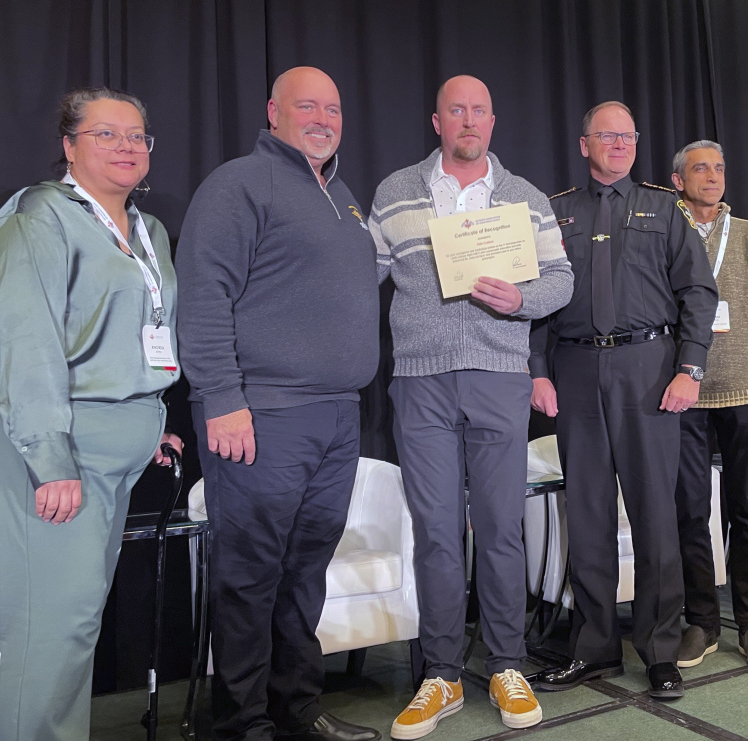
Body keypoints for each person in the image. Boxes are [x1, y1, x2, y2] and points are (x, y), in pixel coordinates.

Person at [175, 67, 381, 741]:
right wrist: (221, 398)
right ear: (273, 111)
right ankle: (242, 723)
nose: (323, 117)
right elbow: (203, 298)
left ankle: (296, 708)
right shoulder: (237, 185)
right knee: (251, 575)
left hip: (336, 416)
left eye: (333, 106)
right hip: (261, 415)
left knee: (304, 573)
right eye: (307, 105)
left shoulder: (344, 196)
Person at [369, 75, 573, 739]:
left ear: (492, 119)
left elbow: (561, 278)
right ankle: (442, 673)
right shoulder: (397, 191)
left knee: (500, 525)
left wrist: (525, 301)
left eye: (479, 110)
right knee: (435, 528)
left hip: (499, 376)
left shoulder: (526, 198)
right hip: (421, 380)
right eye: (456, 109)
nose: (468, 120)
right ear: (437, 120)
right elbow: (359, 272)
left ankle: (508, 663)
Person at [0, 87, 182, 740]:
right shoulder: (39, 220)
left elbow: (135, 335)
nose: (127, 146)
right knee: (50, 630)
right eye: (107, 134)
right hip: (56, 454)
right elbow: (22, 343)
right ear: (68, 146)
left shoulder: (146, 232)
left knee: (76, 627)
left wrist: (150, 423)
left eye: (137, 136)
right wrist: (50, 461)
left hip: (116, 453)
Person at [528, 102, 717, 700]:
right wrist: (537, 371)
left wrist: (690, 369)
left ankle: (661, 650)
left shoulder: (666, 209)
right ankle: (594, 648)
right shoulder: (554, 213)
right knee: (585, 514)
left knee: (656, 515)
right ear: (584, 144)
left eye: (628, 135)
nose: (618, 144)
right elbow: (533, 302)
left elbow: (698, 294)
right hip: (576, 369)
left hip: (649, 369)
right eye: (606, 135)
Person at [668, 140, 748, 671]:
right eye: (700, 168)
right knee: (690, 512)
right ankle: (701, 622)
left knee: (746, 509)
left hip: (746, 391)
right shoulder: (663, 229)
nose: (713, 176)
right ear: (678, 180)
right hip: (682, 393)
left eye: (720, 167)